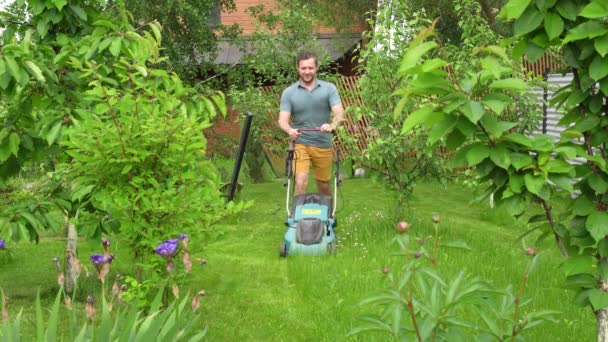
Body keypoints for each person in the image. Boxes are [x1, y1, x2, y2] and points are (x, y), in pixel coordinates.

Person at [278, 51, 345, 196]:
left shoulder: (329, 89)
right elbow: (282, 120)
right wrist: (289, 130)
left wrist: (332, 125)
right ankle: (297, 215)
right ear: (297, 68)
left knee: (323, 184)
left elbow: (339, 114)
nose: (307, 71)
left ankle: (327, 215)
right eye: (303, 68)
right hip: (301, 143)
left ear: (316, 68)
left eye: (310, 68)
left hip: (323, 143)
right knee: (301, 180)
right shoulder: (289, 93)